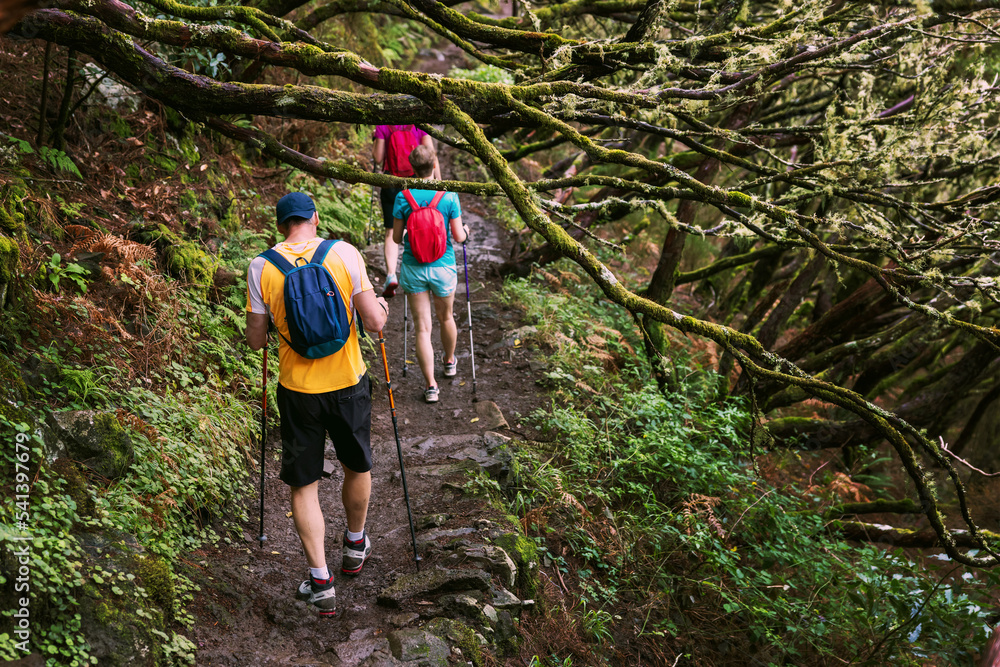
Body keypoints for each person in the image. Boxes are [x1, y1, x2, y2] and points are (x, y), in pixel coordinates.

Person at [245, 192, 389, 617]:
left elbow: (255, 341)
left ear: (279, 226)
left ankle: (321, 579)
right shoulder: (343, 253)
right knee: (356, 464)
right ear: (315, 218)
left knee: (303, 483)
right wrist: (379, 304)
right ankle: (355, 543)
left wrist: (272, 322)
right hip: (348, 383)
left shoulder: (261, 267)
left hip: (297, 392)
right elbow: (374, 321)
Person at [392, 145, 468, 403]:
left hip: (414, 268)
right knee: (446, 317)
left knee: (422, 328)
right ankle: (449, 362)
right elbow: (458, 236)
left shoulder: (403, 196)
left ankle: (431, 386)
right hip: (443, 267)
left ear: (412, 168)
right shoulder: (448, 195)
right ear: (434, 165)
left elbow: (395, 237)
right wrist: (466, 232)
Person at [373, 125, 440, 298]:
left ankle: (390, 275)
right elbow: (431, 154)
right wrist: (438, 182)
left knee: (390, 232)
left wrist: (376, 139)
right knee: (417, 226)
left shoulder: (383, 125)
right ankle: (420, 270)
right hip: (414, 183)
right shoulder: (419, 124)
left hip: (391, 182)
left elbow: (378, 158)